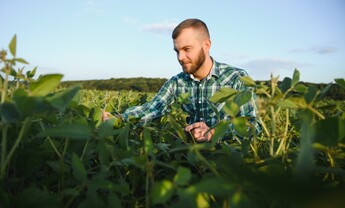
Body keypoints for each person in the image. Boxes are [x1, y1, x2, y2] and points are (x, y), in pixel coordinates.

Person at [102, 18, 259, 143]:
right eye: (177, 51)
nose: (180, 57)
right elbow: (152, 109)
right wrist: (119, 119)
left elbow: (253, 125)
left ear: (206, 45)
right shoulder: (177, 83)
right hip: (189, 156)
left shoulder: (236, 78)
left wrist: (215, 133)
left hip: (227, 160)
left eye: (187, 49)